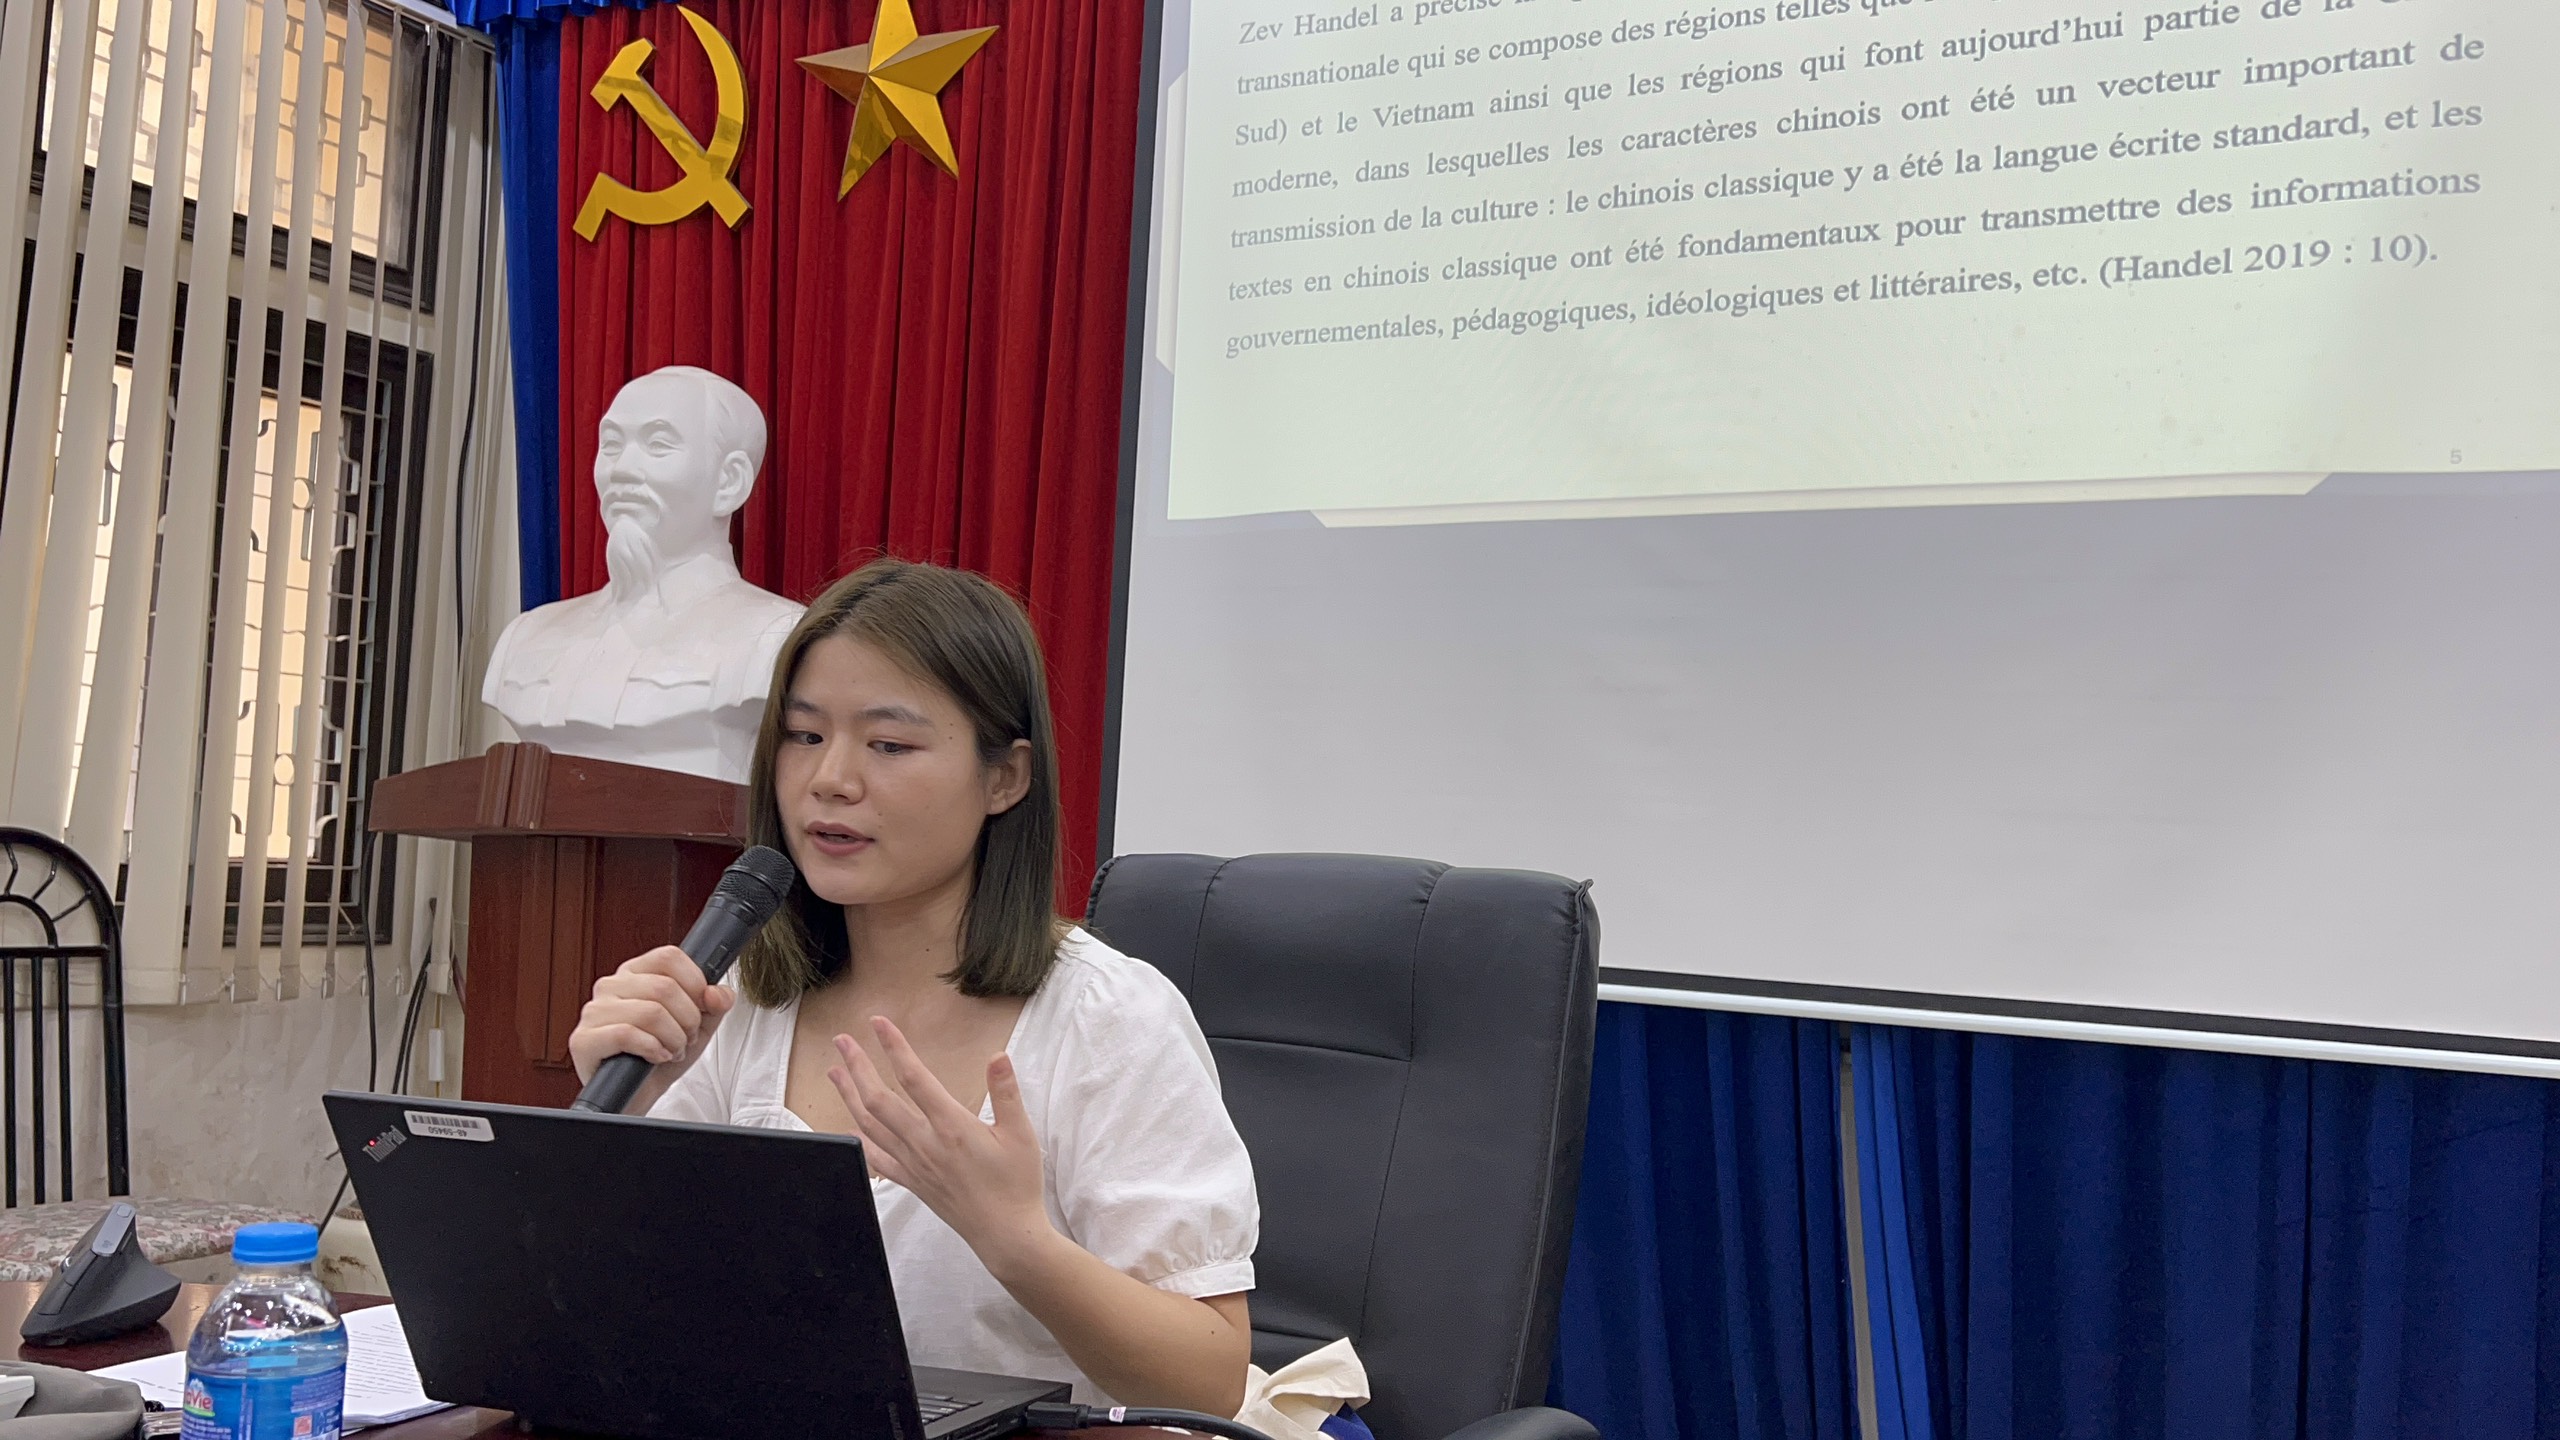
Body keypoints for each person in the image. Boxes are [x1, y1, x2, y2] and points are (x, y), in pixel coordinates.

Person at [565, 558, 1256, 1413]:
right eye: (804, 735)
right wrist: (617, 1122)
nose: (830, 779)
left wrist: (1017, 1241)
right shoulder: (739, 1001)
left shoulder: (1108, 1018)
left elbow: (1209, 1384)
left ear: (1005, 777)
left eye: (889, 745)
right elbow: (616, 1313)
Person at [483, 365, 803, 783]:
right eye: (612, 445)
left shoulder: (778, 635)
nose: (622, 470)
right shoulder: (526, 637)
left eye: (658, 445)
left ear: (730, 481)